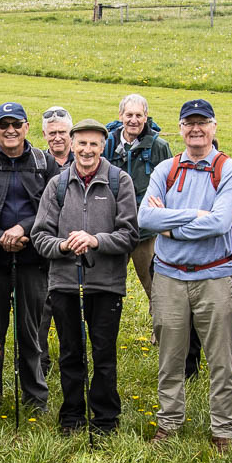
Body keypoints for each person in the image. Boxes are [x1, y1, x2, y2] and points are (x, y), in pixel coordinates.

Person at [138, 99, 232, 453]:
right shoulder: (164, 169)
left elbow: (219, 223)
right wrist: (194, 216)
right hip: (168, 277)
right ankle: (168, 422)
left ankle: (224, 429)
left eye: (203, 123)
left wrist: (169, 223)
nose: (195, 129)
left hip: (214, 276)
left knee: (220, 358)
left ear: (214, 127)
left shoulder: (228, 169)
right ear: (180, 128)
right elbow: (145, 219)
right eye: (189, 123)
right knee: (170, 356)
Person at [31, 118, 138, 435]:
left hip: (106, 284)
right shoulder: (58, 185)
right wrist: (64, 245)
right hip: (64, 283)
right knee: (70, 354)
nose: (87, 149)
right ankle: (72, 416)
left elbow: (130, 234)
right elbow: (40, 236)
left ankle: (105, 419)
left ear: (102, 146)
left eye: (94, 144)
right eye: (82, 143)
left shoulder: (120, 182)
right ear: (72, 144)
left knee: (104, 355)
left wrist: (96, 241)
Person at [0, 101, 58, 415]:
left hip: (34, 259)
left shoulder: (44, 163)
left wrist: (23, 230)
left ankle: (35, 398)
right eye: (3, 125)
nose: (10, 130)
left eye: (16, 124)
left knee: (31, 332)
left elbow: (53, 208)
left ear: (26, 127)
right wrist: (0, 237)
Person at [104, 93, 173, 301]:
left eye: (138, 115)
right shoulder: (107, 143)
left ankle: (159, 331)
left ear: (146, 117)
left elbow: (170, 184)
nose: (133, 120)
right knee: (108, 284)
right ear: (120, 115)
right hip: (114, 227)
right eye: (129, 115)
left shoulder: (159, 146)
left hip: (146, 230)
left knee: (155, 284)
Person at [36, 105, 73, 379]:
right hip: (44, 246)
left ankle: (71, 359)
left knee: (70, 306)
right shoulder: (37, 163)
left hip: (74, 248)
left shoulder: (84, 158)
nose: (57, 138)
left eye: (62, 132)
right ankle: (40, 362)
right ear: (44, 134)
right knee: (40, 308)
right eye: (52, 133)